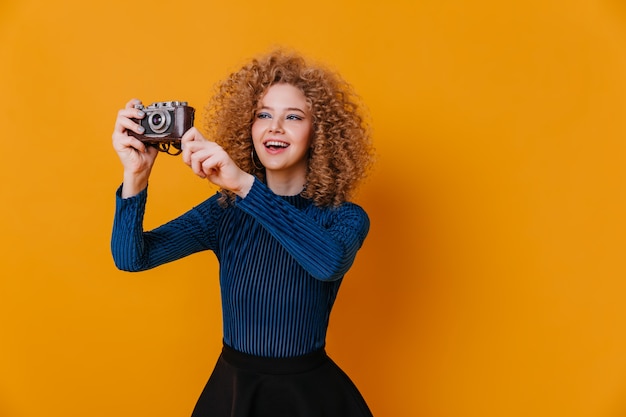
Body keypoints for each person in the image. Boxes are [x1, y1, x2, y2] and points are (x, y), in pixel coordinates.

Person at [111, 48, 375, 417]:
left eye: (293, 117)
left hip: (310, 398)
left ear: (320, 133)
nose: (274, 127)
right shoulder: (224, 213)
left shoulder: (344, 217)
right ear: (248, 126)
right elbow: (131, 258)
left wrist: (246, 186)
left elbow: (327, 262)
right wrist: (135, 177)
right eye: (263, 114)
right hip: (233, 394)